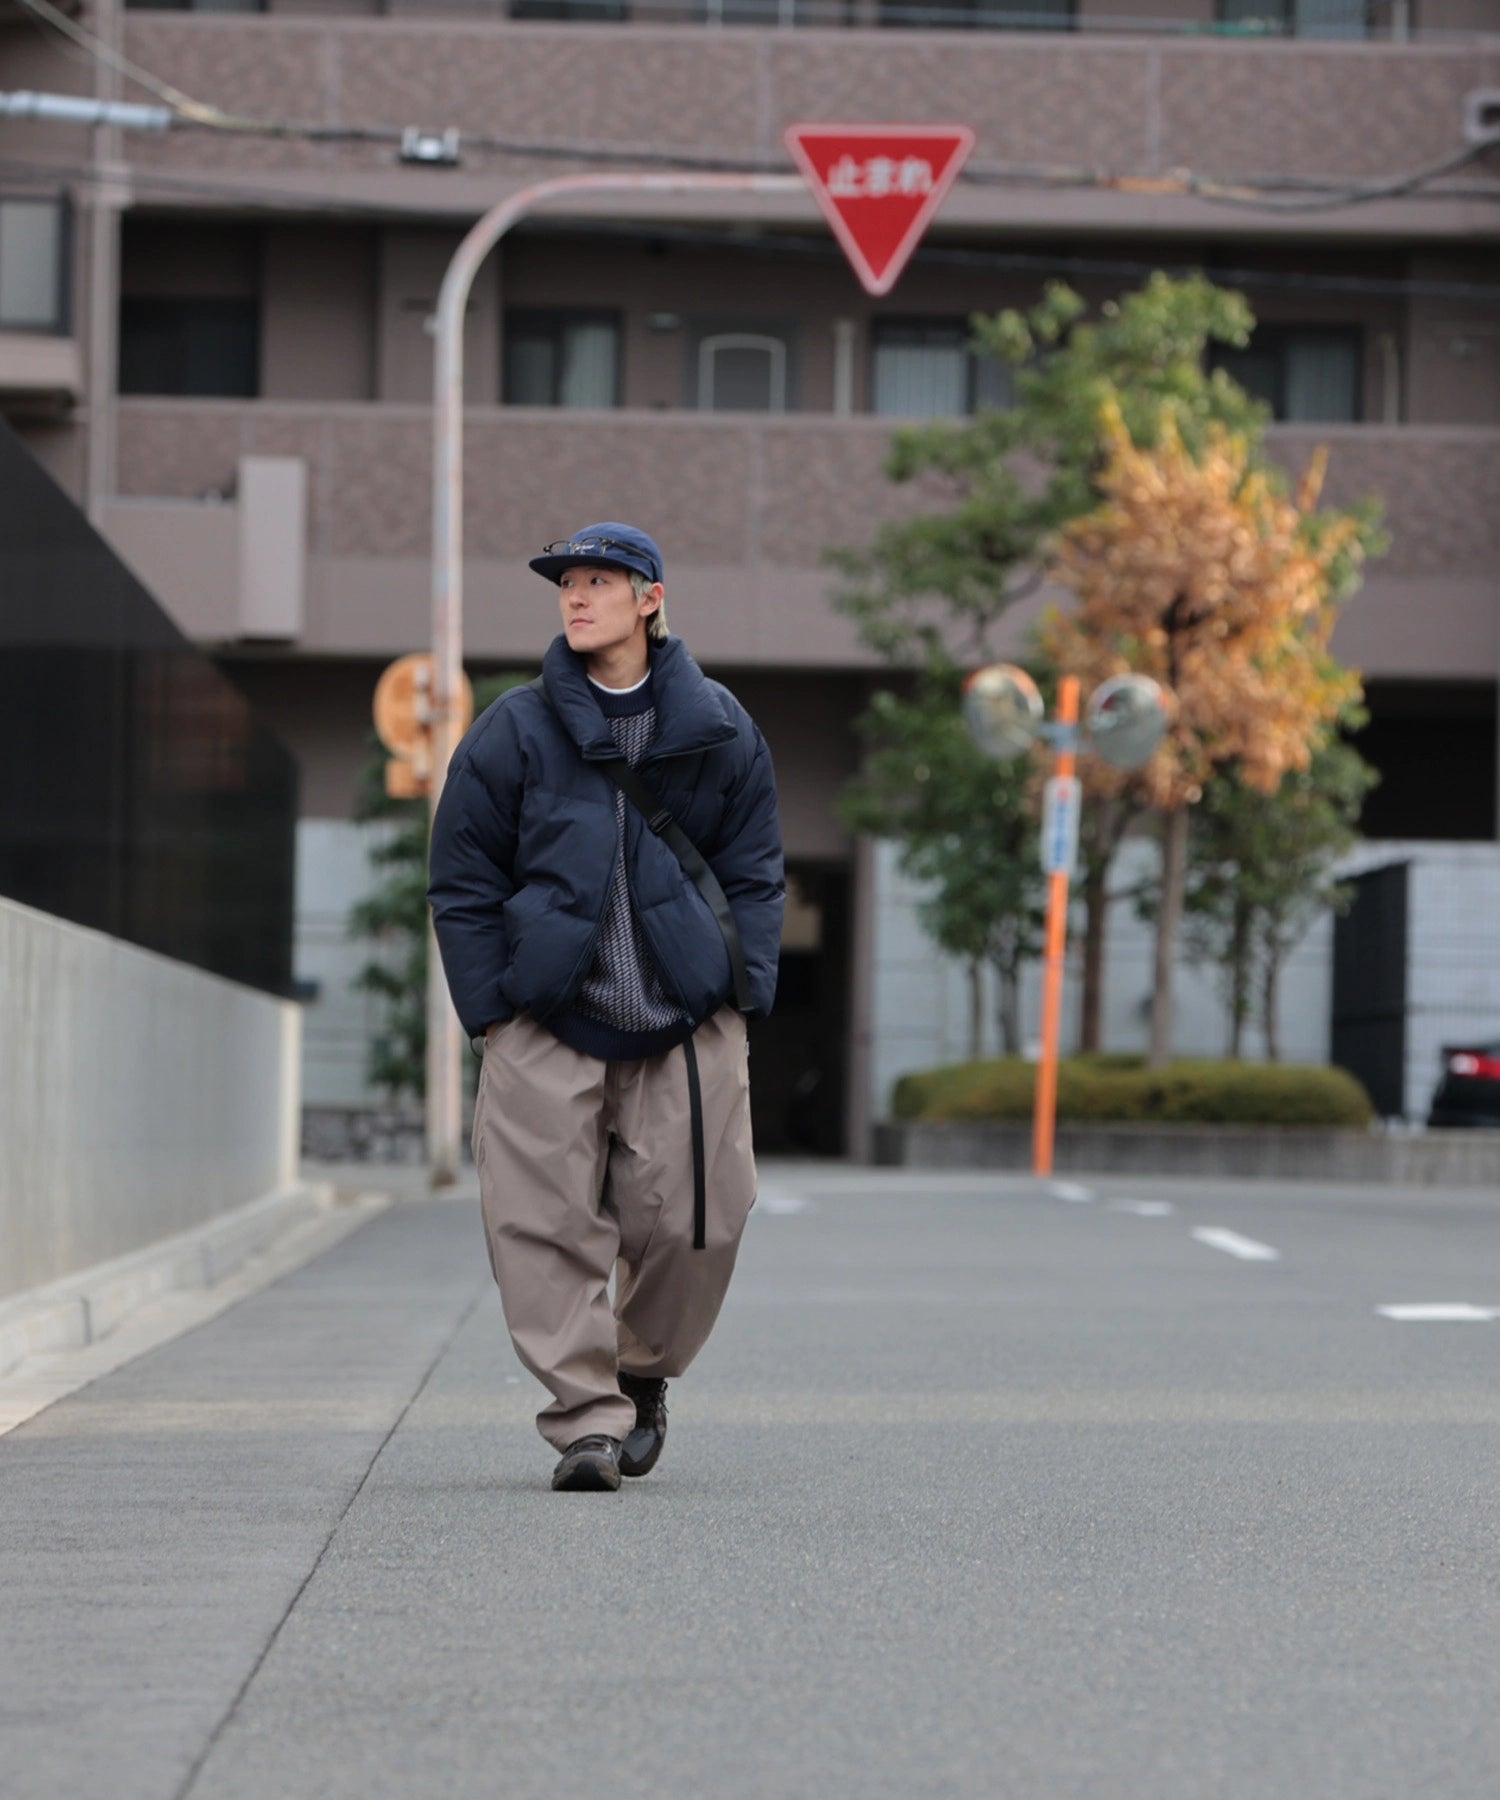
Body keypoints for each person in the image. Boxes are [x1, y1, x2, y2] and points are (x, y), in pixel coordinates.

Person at [428, 523, 784, 1492]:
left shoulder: (716, 724)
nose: (577, 597)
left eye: (600, 581)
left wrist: (742, 991)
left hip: (685, 1016)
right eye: (568, 583)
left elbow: (755, 865)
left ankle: (641, 1369)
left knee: (702, 1219)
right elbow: (460, 878)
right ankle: (586, 1420)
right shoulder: (513, 730)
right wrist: (492, 1010)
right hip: (546, 1018)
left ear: (651, 597)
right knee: (539, 1226)